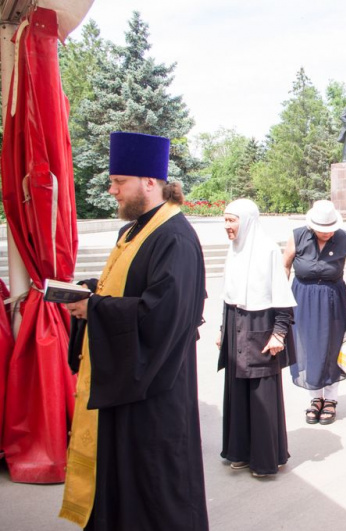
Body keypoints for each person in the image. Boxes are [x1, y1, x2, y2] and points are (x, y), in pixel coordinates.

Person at [60, 132, 208, 530]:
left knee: (155, 484)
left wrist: (95, 309)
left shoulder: (175, 237)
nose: (112, 191)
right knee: (121, 480)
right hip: (125, 382)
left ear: (149, 181)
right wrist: (94, 293)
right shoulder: (133, 231)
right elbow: (130, 291)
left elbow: (164, 315)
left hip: (155, 389)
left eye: (118, 182)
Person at [216, 199, 297, 478]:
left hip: (262, 327)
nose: (227, 226)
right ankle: (239, 452)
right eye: (225, 220)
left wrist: (279, 333)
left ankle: (264, 458)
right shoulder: (234, 250)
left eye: (232, 220)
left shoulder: (267, 251)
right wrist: (221, 329)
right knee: (237, 393)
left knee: (261, 395)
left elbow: (282, 297)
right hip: (235, 324)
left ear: (247, 220)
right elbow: (229, 295)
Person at [283, 200, 346, 425]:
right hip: (302, 296)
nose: (327, 233)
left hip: (332, 298)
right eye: (322, 229)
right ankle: (315, 398)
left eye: (330, 229)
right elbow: (285, 264)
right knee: (307, 345)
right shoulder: (297, 236)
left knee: (332, 346)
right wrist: (281, 295)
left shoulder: (344, 238)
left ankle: (331, 400)